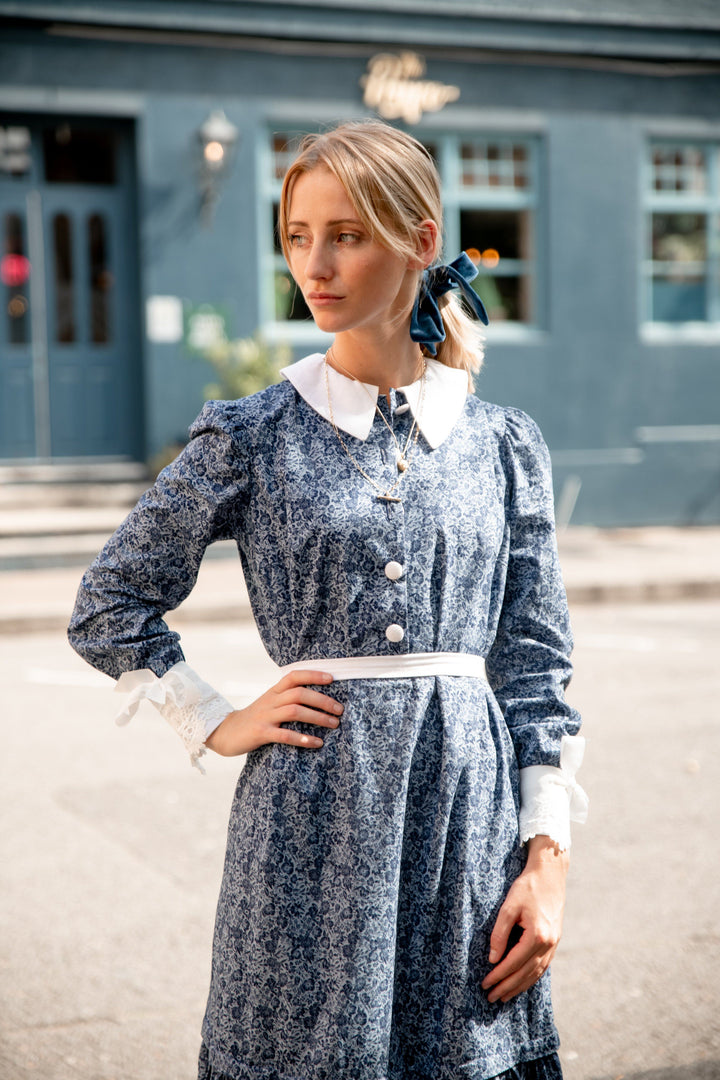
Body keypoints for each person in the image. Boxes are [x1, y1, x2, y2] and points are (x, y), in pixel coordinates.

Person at [69, 119, 587, 1080]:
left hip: (465, 828)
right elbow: (109, 602)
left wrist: (546, 862)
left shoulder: (503, 442)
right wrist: (213, 718)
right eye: (298, 236)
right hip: (306, 830)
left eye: (346, 235)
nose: (314, 264)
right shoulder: (252, 433)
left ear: (420, 241)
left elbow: (535, 666)